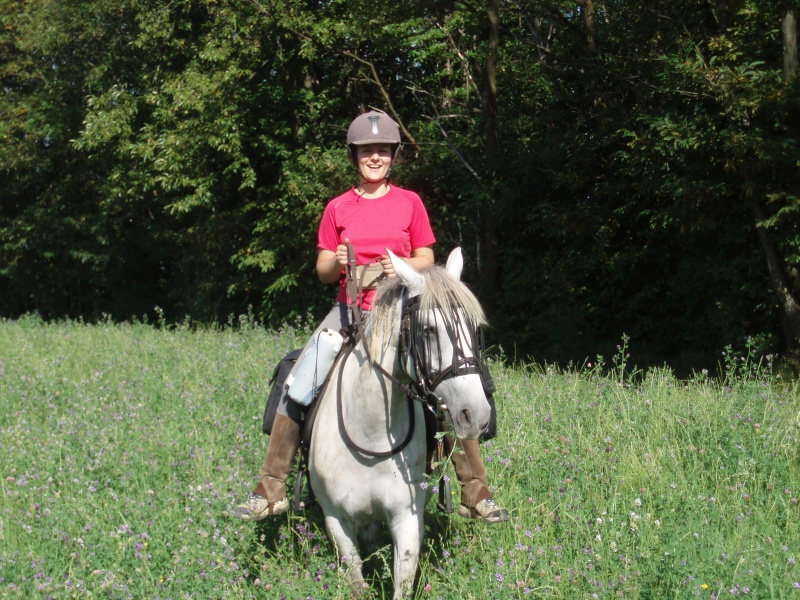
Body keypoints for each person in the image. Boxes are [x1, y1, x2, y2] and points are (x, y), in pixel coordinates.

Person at [231, 111, 509, 524]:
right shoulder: (338, 207)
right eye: (366, 151)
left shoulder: (409, 202)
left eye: (382, 150)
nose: (374, 157)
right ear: (355, 156)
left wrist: (400, 267)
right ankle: (272, 486)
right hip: (349, 309)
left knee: (446, 375)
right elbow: (323, 268)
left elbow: (427, 256)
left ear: (393, 156)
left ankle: (475, 489)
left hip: (399, 311)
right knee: (300, 375)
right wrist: (336, 260)